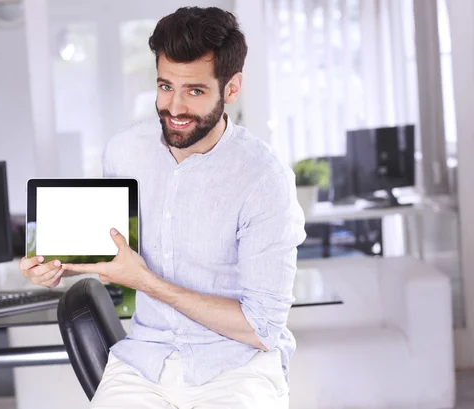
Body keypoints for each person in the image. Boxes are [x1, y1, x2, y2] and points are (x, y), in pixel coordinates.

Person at [19, 6, 305, 409]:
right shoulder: (124, 152)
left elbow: (262, 328)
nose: (174, 107)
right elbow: (113, 251)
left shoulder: (264, 180)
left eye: (195, 91)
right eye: (165, 86)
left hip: (236, 366)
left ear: (232, 88)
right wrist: (57, 265)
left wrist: (147, 282)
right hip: (145, 363)